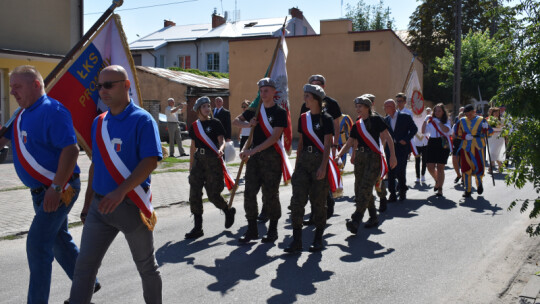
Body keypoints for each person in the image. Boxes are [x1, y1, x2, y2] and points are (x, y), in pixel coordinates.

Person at [0, 65, 96, 303]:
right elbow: (3, 139)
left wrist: (55, 188)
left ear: (35, 85)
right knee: (58, 240)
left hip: (61, 189)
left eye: (17, 86)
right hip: (40, 193)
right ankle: (87, 284)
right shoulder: (20, 115)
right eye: (11, 87)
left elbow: (71, 150)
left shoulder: (52, 110)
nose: (12, 92)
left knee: (37, 244)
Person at [69, 65, 162, 303]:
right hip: (100, 208)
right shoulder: (98, 122)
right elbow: (95, 165)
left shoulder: (143, 120)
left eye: (109, 85)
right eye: (100, 86)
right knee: (84, 268)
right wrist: (87, 203)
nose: (103, 91)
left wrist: (121, 192)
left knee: (147, 268)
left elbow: (151, 160)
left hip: (130, 206)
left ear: (127, 85)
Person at [233, 77, 291, 243]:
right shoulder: (254, 110)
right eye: (261, 90)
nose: (263, 93)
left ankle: (272, 229)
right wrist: (248, 125)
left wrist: (252, 150)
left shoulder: (280, 112)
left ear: (274, 92)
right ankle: (252, 229)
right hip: (254, 158)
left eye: (266, 90)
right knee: (249, 193)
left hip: (271, 157)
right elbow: (235, 121)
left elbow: (274, 137)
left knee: (270, 194)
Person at [285, 84, 335, 253]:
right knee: (297, 201)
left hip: (319, 161)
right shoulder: (303, 118)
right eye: (304, 95)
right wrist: (296, 165)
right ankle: (297, 241)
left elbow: (327, 144)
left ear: (316, 99)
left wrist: (323, 166)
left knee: (318, 202)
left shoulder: (326, 118)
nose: (304, 98)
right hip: (304, 161)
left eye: (307, 96)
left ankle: (318, 239)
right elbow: (301, 143)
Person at [336, 96, 397, 234]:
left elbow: (388, 137)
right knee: (360, 189)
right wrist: (339, 155)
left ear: (367, 107)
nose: (357, 109)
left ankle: (356, 219)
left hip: (373, 157)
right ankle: (373, 216)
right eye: (356, 106)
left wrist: (392, 156)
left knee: (365, 187)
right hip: (360, 158)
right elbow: (350, 142)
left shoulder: (376, 120)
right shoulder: (357, 124)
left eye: (360, 106)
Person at [184, 96, 236, 239]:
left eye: (208, 106)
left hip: (213, 160)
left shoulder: (215, 123)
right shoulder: (194, 126)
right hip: (198, 161)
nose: (208, 108)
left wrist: (221, 149)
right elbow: (193, 146)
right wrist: (190, 167)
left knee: (213, 194)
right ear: (198, 110)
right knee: (194, 193)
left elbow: (222, 140)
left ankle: (227, 210)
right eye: (204, 106)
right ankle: (198, 227)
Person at [300, 74, 342, 220]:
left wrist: (335, 146)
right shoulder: (305, 105)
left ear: (323, 86)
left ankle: (327, 203)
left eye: (318, 83)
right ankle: (318, 209)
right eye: (313, 83)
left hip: (326, 146)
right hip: (309, 150)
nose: (316, 85)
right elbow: (303, 129)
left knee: (324, 178)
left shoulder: (332, 103)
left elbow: (336, 126)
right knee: (312, 183)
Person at [453, 104, 492, 198]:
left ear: (474, 112)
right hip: (466, 147)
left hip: (478, 146)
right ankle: (468, 190)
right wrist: (464, 136)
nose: (468, 116)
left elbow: (489, 133)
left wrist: (486, 128)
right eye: (466, 114)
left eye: (469, 114)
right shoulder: (461, 121)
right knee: (466, 168)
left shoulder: (481, 120)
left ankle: (479, 184)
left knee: (479, 166)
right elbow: (456, 134)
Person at [383, 99, 418, 201]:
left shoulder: (405, 117)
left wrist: (406, 139)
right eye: (384, 107)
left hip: (402, 147)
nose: (384, 109)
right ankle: (392, 194)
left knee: (400, 170)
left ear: (393, 107)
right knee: (391, 171)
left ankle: (402, 190)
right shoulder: (386, 120)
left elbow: (414, 129)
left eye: (386, 107)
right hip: (390, 148)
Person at [359, 93, 388, 212]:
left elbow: (384, 136)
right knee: (365, 181)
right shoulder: (360, 119)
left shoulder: (377, 118)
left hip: (376, 151)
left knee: (377, 179)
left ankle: (382, 198)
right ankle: (368, 205)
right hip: (363, 154)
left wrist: (381, 152)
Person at [422, 103, 452, 197]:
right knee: (430, 166)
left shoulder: (446, 120)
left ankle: (440, 189)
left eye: (439, 111)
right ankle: (437, 181)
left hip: (442, 143)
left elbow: (446, 130)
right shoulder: (430, 121)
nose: (437, 112)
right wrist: (425, 120)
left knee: (440, 167)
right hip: (432, 142)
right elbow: (423, 131)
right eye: (435, 111)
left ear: (443, 112)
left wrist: (438, 122)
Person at [413, 107, 430, 183]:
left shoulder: (427, 120)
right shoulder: (414, 120)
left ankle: (423, 175)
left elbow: (429, 131)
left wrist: (424, 135)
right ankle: (417, 177)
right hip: (417, 143)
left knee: (424, 160)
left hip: (425, 143)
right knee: (417, 161)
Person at [486, 107, 505, 172]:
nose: (496, 114)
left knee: (494, 152)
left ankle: (491, 167)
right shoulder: (489, 120)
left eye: (498, 112)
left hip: (499, 137)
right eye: (495, 112)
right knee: (492, 152)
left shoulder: (502, 120)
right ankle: (500, 165)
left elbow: (504, 128)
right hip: (491, 137)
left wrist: (500, 127)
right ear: (492, 113)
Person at [452, 107, 465, 184]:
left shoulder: (468, 125)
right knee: (455, 160)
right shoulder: (455, 125)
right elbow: (453, 135)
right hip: (457, 142)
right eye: (460, 117)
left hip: (464, 143)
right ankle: (458, 175)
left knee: (463, 161)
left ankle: (463, 176)